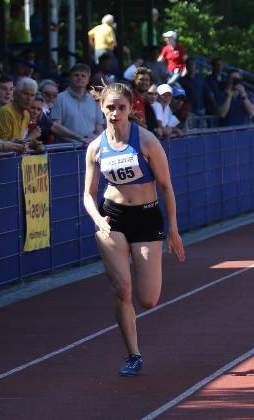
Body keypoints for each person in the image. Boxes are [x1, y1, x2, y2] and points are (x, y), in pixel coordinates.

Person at [81, 82, 185, 376]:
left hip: (146, 217)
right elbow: (88, 194)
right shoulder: (95, 148)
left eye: (121, 107)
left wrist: (173, 230)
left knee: (148, 299)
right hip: (112, 219)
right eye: (110, 107)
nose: (115, 113)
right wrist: (98, 220)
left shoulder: (147, 140)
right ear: (102, 108)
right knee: (121, 289)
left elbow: (165, 186)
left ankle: (135, 346)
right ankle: (133, 355)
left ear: (131, 109)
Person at [50, 64, 105, 144]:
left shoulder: (94, 100)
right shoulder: (59, 98)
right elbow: (55, 126)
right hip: (66, 148)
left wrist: (97, 140)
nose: (79, 78)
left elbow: (99, 127)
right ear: (70, 78)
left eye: (83, 76)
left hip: (90, 146)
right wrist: (79, 138)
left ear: (88, 80)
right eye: (76, 75)